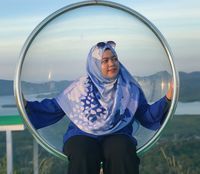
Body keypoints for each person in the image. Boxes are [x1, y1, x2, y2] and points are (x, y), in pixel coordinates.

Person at [24, 41, 173, 174]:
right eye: (105, 60)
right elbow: (54, 107)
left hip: (118, 134)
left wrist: (168, 97)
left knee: (121, 149)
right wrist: (25, 105)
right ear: (95, 65)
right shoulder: (80, 87)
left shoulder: (129, 89)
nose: (112, 64)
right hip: (81, 134)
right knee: (82, 151)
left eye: (115, 59)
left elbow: (146, 115)